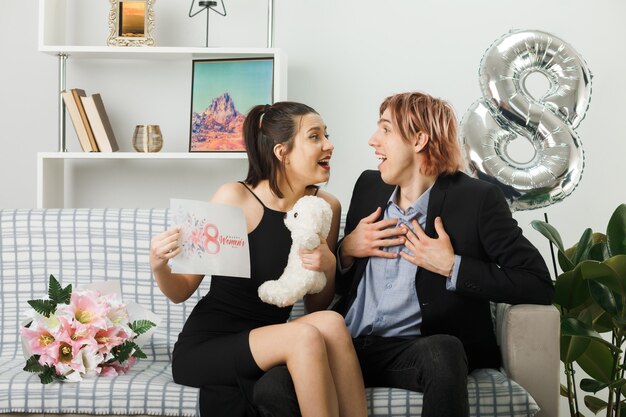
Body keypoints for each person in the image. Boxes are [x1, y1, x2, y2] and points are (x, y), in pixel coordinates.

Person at [255, 91, 555, 417]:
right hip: (349, 342)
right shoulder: (369, 187)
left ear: (419, 139)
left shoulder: (477, 200)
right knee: (271, 386)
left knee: (444, 352)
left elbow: (537, 282)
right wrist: (347, 251)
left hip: (414, 349)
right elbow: (341, 285)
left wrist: (451, 266)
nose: (373, 141)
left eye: (385, 130)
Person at [149, 102, 368, 417]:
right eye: (315, 137)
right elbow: (181, 290)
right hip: (210, 345)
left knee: (332, 323)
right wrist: (159, 266)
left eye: (326, 135)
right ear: (283, 152)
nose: (329, 145)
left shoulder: (325, 207)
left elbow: (316, 306)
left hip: (274, 339)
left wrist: (330, 264)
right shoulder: (233, 198)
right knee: (303, 336)